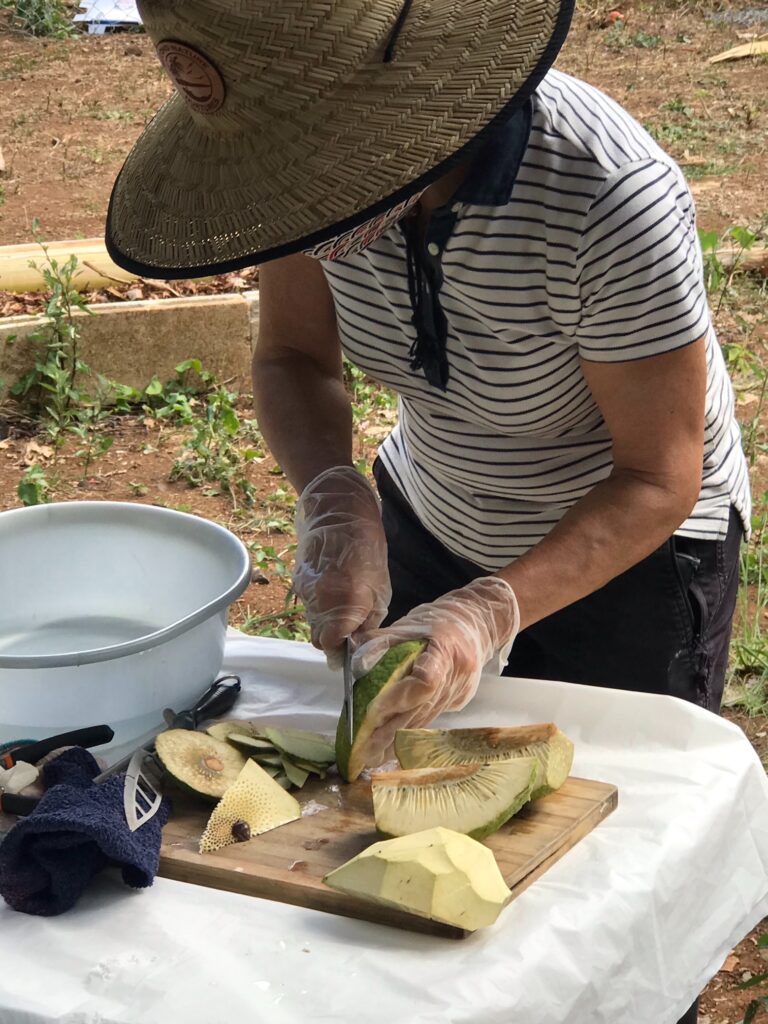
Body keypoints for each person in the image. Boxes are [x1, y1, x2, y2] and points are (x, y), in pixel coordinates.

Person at [106, 3, 750, 1021]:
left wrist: (489, 607)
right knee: (405, 824)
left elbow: (656, 476)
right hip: (429, 503)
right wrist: (337, 495)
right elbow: (294, 357)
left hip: (627, 554)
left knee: (601, 877)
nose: (309, 215)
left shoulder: (606, 197)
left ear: (400, 112)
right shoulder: (302, 176)